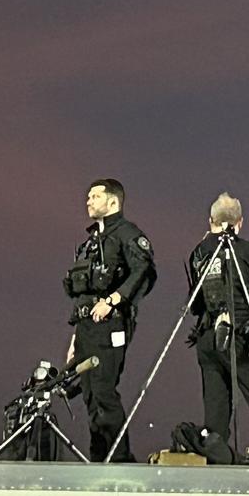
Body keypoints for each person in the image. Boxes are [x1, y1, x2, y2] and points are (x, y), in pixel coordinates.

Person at [185, 194, 249, 464]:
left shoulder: (198, 253)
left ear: (211, 221)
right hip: (243, 340)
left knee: (216, 415)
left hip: (209, 340)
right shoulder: (248, 251)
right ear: (239, 223)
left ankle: (218, 466)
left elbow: (195, 304)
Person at [64, 178, 156, 462]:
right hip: (86, 328)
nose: (88, 201)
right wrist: (74, 340)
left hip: (110, 326)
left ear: (113, 201)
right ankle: (99, 460)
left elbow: (144, 271)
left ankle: (119, 461)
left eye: (95, 196)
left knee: (104, 392)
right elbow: (84, 293)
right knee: (90, 396)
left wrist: (113, 300)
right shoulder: (92, 242)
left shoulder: (127, 234)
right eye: (88, 196)